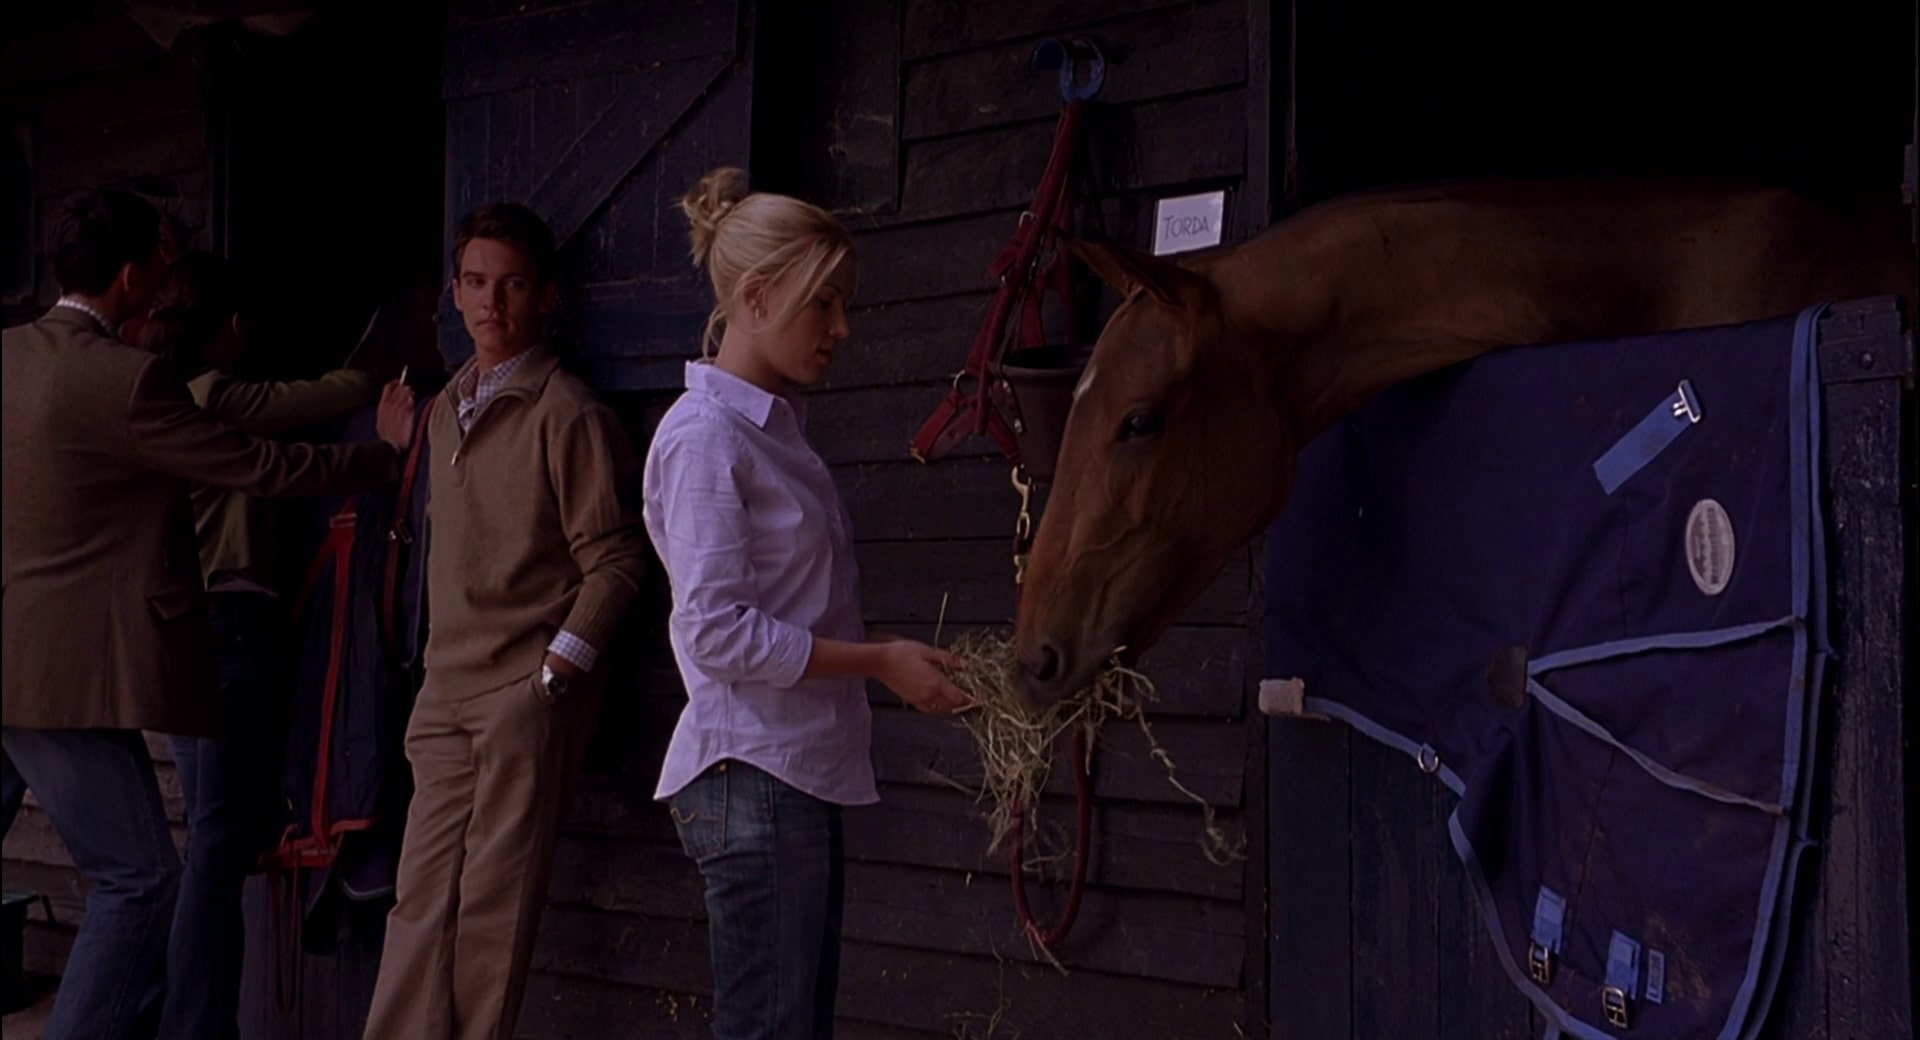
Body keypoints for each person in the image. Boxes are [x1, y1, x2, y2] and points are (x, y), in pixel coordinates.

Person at [0, 187, 415, 1040]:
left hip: (24, 661)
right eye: (156, 270)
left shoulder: (7, 354)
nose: (164, 288)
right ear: (128, 279)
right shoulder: (127, 379)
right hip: (61, 675)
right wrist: (383, 458)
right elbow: (259, 466)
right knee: (141, 881)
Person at [643, 167, 971, 1040]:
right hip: (753, 773)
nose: (841, 327)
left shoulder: (769, 434)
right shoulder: (704, 438)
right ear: (756, 297)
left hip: (790, 774)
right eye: (823, 303)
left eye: (843, 303)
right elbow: (715, 631)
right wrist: (880, 662)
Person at [363, 202, 650, 1040]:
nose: (492, 302)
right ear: (454, 292)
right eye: (477, 282)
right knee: (418, 904)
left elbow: (617, 559)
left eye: (514, 284)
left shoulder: (567, 412)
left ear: (545, 297)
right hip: (444, 692)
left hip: (523, 695)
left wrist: (554, 677)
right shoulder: (443, 408)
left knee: (494, 908)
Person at [127, 249, 389, 1040]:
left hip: (182, 632)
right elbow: (337, 392)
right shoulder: (220, 395)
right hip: (231, 629)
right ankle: (191, 1025)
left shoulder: (163, 393)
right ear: (236, 325)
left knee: (213, 836)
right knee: (219, 840)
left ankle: (196, 1020)